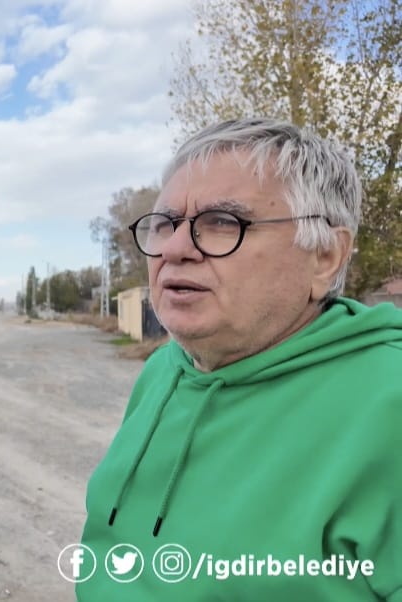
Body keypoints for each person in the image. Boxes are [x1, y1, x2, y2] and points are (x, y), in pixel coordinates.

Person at [76, 118, 401, 600]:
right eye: (165, 224)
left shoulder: (387, 403)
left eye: (223, 222)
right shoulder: (164, 369)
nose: (175, 249)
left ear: (326, 256)